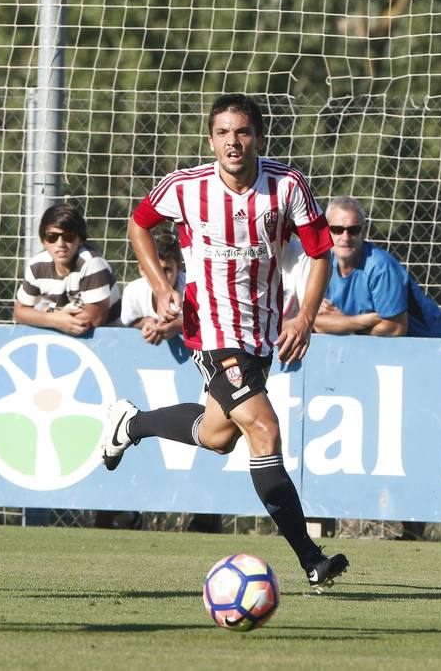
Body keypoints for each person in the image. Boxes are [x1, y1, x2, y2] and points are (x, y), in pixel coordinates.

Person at [99, 93, 348, 592]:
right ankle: (311, 559)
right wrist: (161, 287)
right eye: (223, 133)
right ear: (211, 139)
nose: (233, 143)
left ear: (258, 136)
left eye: (242, 132)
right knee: (264, 429)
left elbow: (320, 253)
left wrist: (303, 316)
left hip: (261, 330)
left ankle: (133, 423)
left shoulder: (288, 186)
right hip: (209, 328)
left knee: (217, 436)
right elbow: (139, 223)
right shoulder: (186, 187)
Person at [314, 196, 441, 339]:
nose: (345, 237)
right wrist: (361, 321)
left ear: (364, 232)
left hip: (435, 345)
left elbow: (395, 328)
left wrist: (342, 324)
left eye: (353, 230)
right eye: (337, 229)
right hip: (378, 347)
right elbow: (316, 322)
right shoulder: (323, 264)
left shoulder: (381, 268)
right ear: (326, 231)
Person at [12, 203, 119, 335]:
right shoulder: (37, 266)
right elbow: (19, 312)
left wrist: (51, 316)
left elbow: (95, 319)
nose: (60, 244)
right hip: (65, 334)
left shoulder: (92, 263)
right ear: (43, 240)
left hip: (110, 336)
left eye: (68, 236)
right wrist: (55, 319)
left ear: (80, 240)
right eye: (52, 237)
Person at [119, 233, 185, 345]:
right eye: (155, 270)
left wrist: (179, 326)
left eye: (167, 269)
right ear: (142, 269)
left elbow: (211, 323)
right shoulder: (133, 291)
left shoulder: (194, 289)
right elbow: (129, 321)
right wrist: (147, 321)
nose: (161, 277)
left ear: (179, 268)